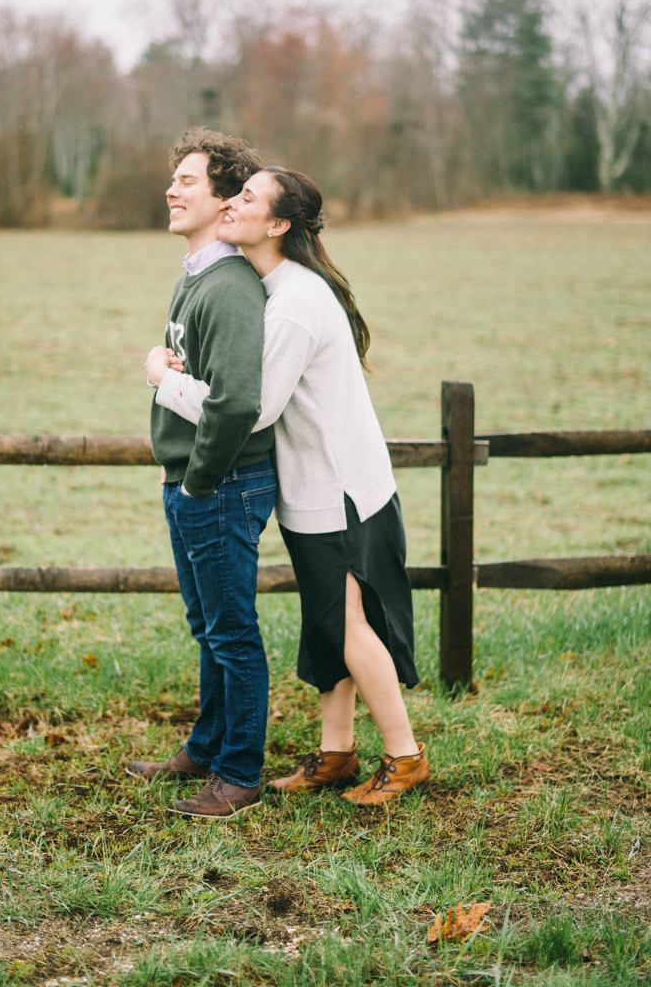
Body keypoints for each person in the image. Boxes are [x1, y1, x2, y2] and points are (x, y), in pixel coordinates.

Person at [153, 166, 429, 805]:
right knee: (328, 624)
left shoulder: (298, 302)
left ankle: (405, 756)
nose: (233, 203)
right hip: (314, 494)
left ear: (276, 224)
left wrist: (161, 380)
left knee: (352, 627)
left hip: (342, 494)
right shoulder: (277, 288)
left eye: (247, 197)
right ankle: (336, 754)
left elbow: (254, 407)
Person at [127, 128, 278, 820]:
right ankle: (207, 747)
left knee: (231, 633)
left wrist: (198, 482)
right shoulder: (197, 278)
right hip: (191, 481)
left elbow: (240, 402)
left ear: (224, 205)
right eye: (174, 178)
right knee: (208, 626)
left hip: (219, 484)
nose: (172, 189)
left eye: (188, 181)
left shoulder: (229, 289)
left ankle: (239, 774)